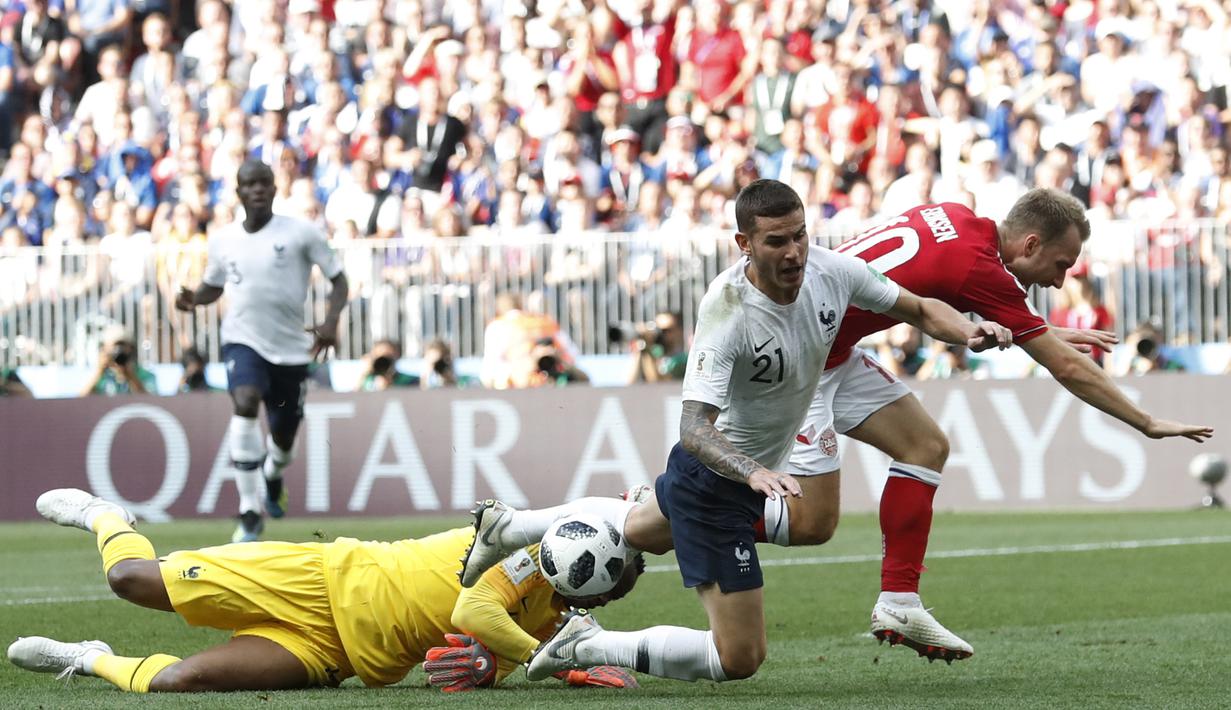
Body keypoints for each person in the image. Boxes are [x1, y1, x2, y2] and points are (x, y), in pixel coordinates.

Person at [457, 179, 1012, 684]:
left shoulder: (830, 270)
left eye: (799, 235)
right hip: (715, 486)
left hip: (733, 481)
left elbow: (915, 306)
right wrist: (754, 471)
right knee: (739, 657)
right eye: (776, 242)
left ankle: (510, 527)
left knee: (637, 527)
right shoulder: (728, 313)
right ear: (743, 243)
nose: (794, 252)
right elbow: (693, 428)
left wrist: (968, 329)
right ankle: (586, 644)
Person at [746, 188, 1213, 662]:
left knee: (924, 446)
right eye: (1060, 264)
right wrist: (1146, 420)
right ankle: (700, 517)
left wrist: (1036, 329)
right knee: (812, 524)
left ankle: (899, 601)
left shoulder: (953, 216)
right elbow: (1068, 369)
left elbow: (936, 277)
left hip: (831, 349)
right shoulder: (982, 268)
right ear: (1030, 245)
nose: (1059, 280)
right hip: (797, 357)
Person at [7, 488, 640, 693]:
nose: (613, 588)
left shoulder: (562, 614)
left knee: (180, 683)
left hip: (339, 655)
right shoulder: (527, 548)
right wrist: (547, 665)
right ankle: (106, 517)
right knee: (129, 581)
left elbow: (472, 650)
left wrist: (489, 667)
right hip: (322, 578)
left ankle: (84, 657)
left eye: (622, 580)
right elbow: (474, 606)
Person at [175, 159, 349, 543]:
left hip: (290, 350)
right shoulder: (222, 240)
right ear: (239, 193)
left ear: (274, 189)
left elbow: (339, 280)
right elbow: (213, 286)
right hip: (243, 340)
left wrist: (331, 321)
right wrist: (194, 299)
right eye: (249, 184)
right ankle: (250, 510)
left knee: (283, 443)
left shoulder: (301, 232)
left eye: (264, 183)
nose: (257, 190)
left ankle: (273, 475)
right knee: (245, 400)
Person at [80, 331, 157, 396]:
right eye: (115, 346)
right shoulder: (100, 376)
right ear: (105, 349)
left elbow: (150, 402)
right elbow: (80, 401)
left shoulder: (145, 375)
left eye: (123, 346)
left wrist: (130, 375)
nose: (119, 351)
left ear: (131, 349)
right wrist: (99, 372)